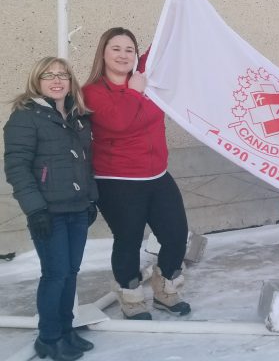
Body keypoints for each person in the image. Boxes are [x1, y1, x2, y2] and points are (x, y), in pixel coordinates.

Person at [83, 28, 191, 320]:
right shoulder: (92, 91)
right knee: (129, 240)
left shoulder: (146, 78)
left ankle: (165, 287)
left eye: (129, 49)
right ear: (103, 53)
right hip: (118, 180)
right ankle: (130, 296)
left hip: (157, 175)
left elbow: (166, 42)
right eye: (115, 48)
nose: (123, 55)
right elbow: (118, 122)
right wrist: (134, 90)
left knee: (177, 235)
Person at [4, 57, 97, 360]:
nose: (56, 81)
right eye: (48, 75)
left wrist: (91, 199)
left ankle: (66, 331)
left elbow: (85, 162)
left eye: (63, 75)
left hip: (77, 209)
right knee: (55, 274)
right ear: (37, 80)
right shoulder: (25, 116)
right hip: (48, 212)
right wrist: (35, 210)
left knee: (71, 272)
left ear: (70, 81)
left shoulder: (77, 116)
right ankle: (49, 336)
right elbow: (17, 168)